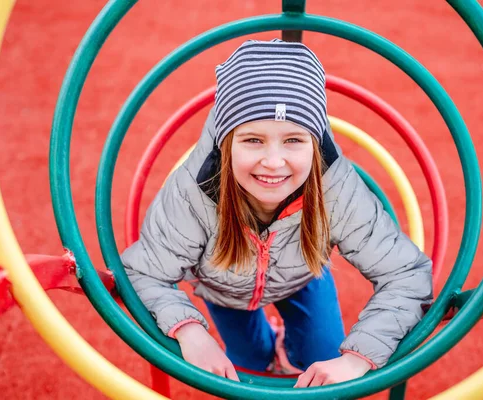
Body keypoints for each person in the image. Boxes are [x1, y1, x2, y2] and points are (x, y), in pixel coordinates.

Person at [121, 39, 433, 387]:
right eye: (253, 140)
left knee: (324, 357)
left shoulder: (336, 190)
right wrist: (189, 331)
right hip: (224, 287)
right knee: (249, 364)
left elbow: (407, 275)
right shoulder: (194, 193)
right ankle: (270, 349)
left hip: (302, 275)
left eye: (293, 141)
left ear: (315, 143)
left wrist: (359, 359)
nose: (273, 162)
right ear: (226, 142)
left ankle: (290, 346)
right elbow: (143, 272)